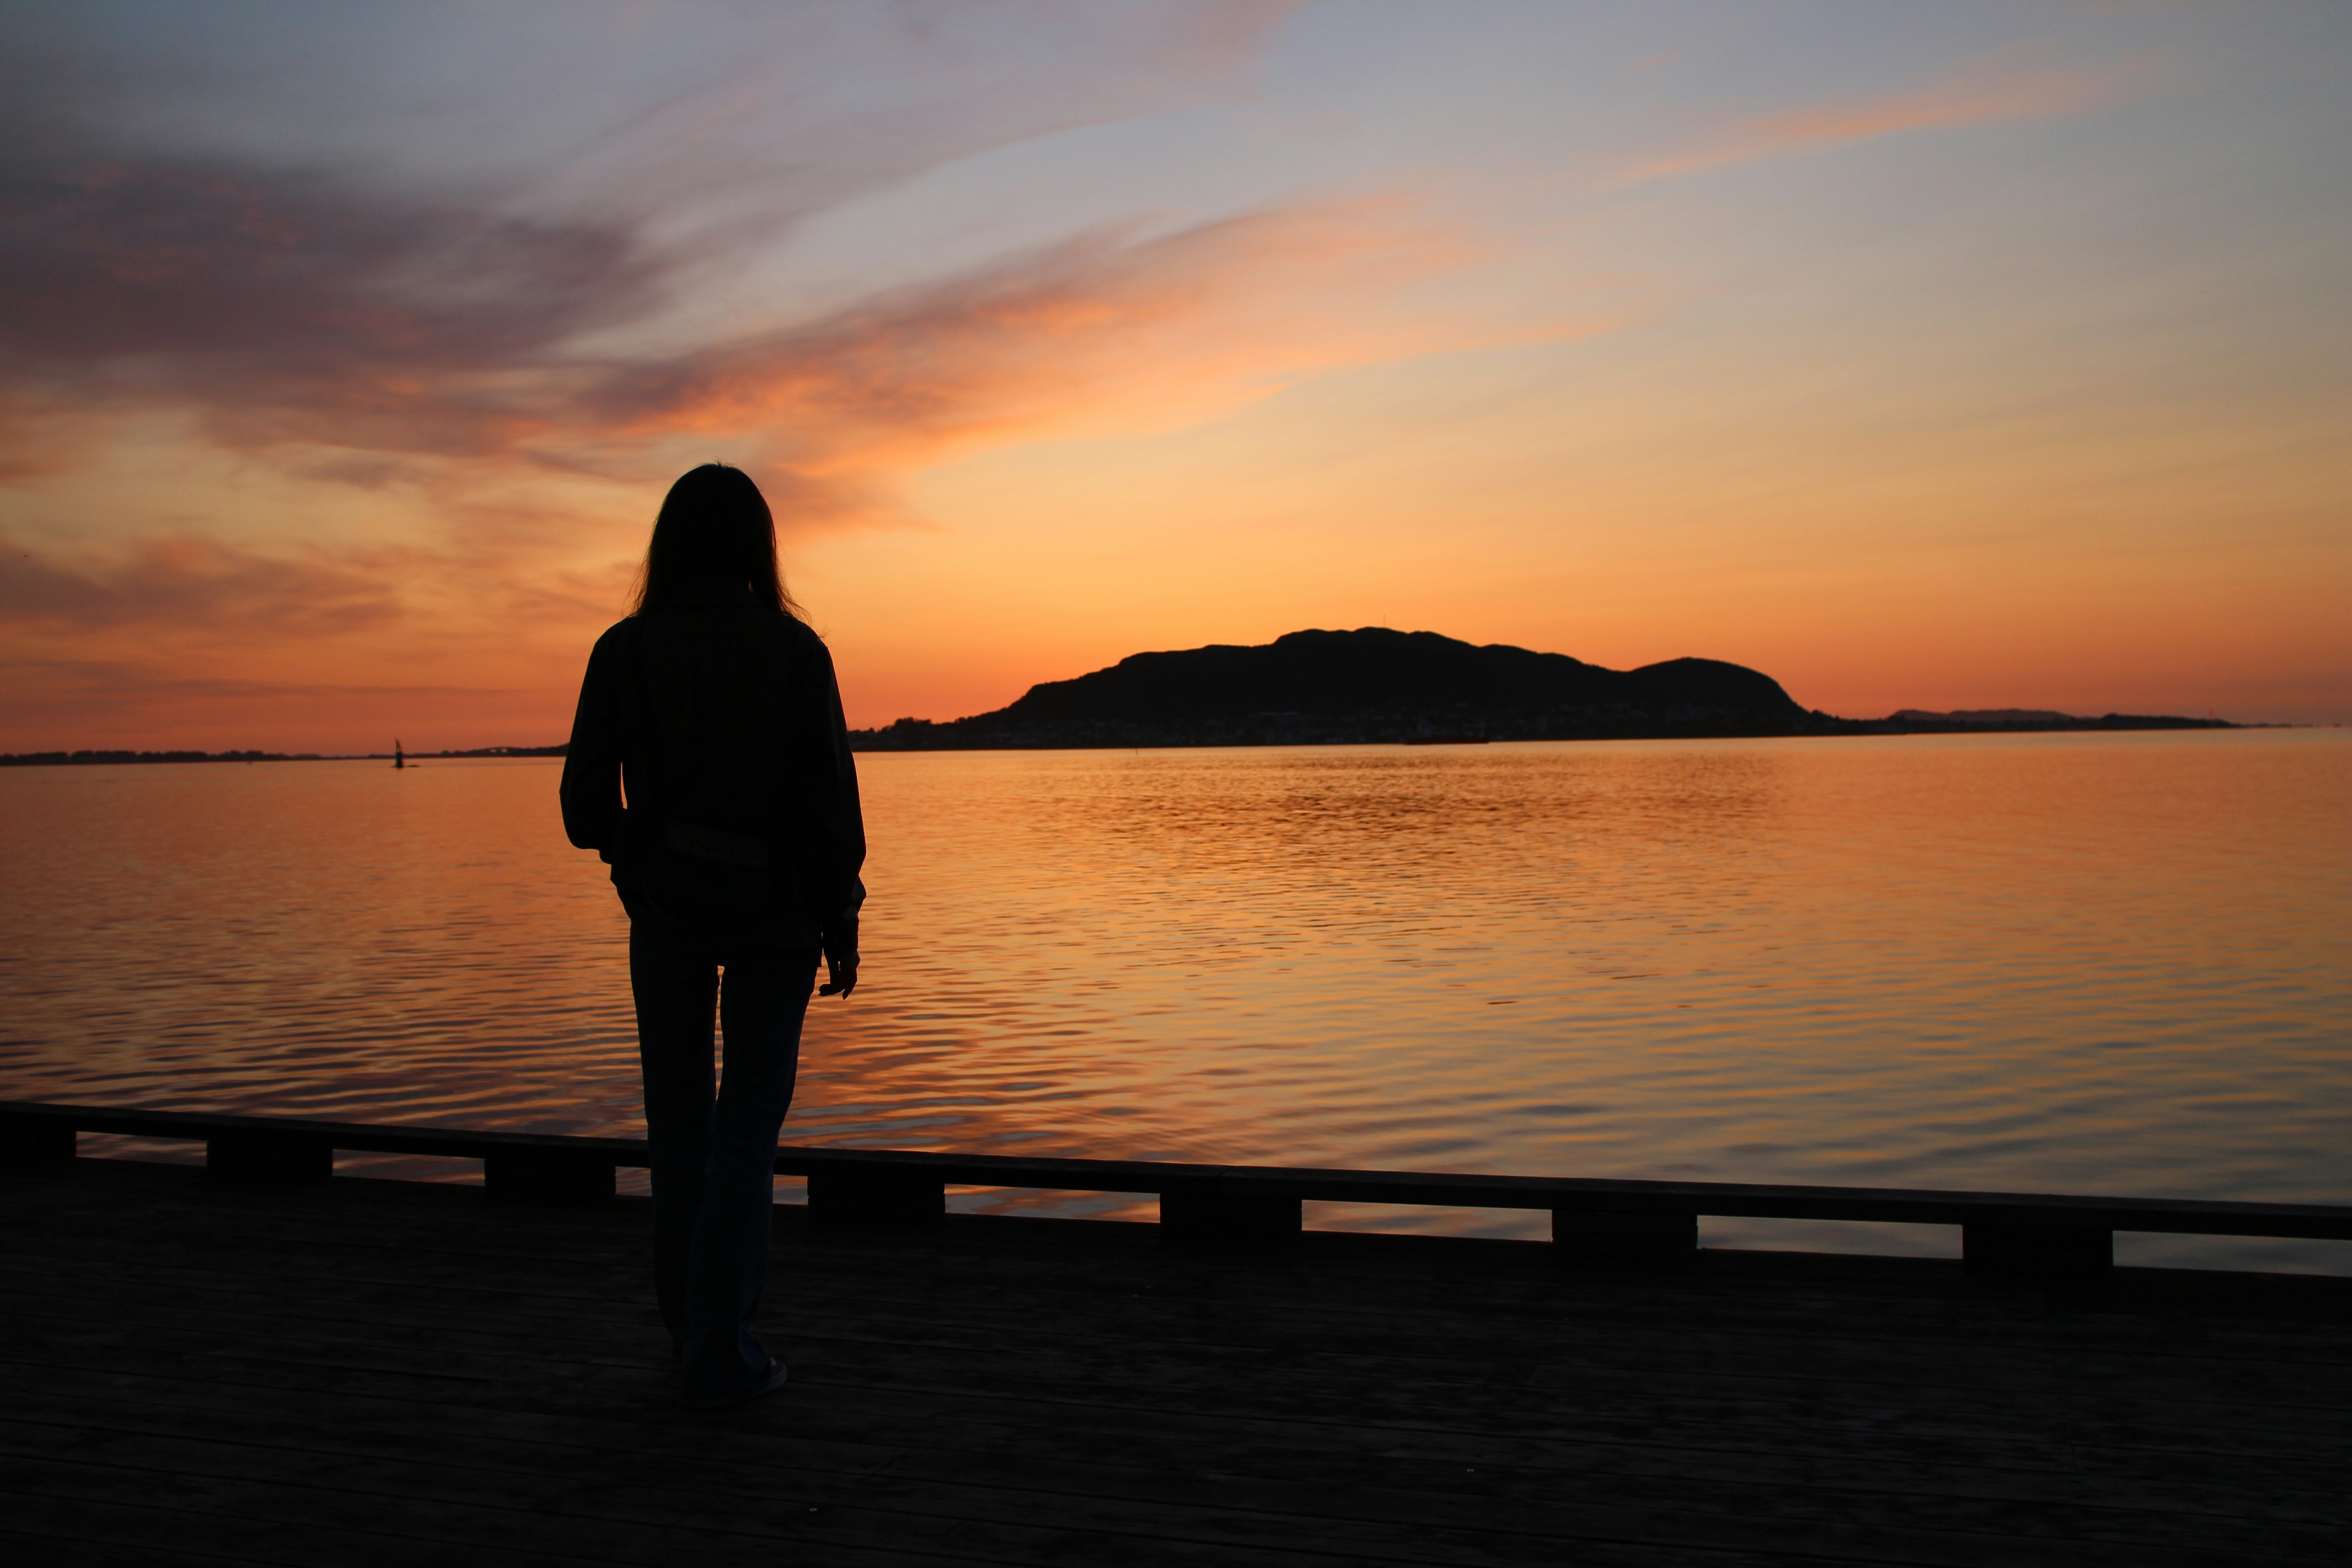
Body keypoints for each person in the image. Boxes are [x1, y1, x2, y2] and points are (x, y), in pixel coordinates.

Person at [559, 464, 865, 1407]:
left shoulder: (624, 650)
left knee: (679, 1125)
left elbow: (580, 808)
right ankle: (718, 1345)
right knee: (746, 1136)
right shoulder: (794, 651)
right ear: (756, 547)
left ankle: (690, 1326)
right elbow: (826, 805)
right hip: (779, 917)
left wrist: (637, 847)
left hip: (665, 916)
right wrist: (841, 911)